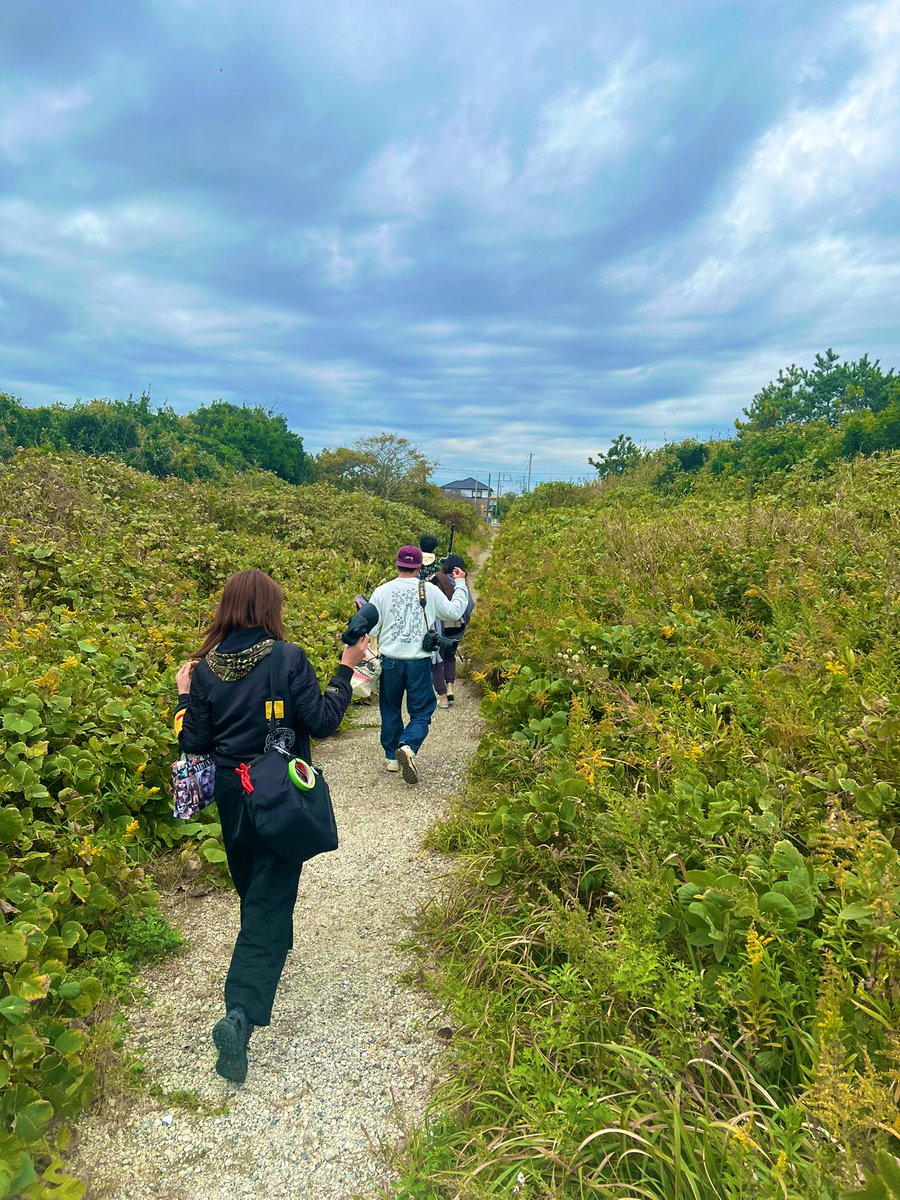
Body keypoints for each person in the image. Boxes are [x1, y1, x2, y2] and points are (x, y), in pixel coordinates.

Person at [173, 569, 369, 1085]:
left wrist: (184, 695)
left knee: (252, 882)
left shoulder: (206, 669)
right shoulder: (287, 658)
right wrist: (346, 669)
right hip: (277, 789)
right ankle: (239, 1013)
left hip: (231, 792)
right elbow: (322, 720)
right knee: (268, 899)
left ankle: (274, 943)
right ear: (269, 609)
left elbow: (193, 742)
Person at [368, 545, 469, 784]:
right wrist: (461, 583)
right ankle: (408, 746)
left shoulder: (381, 592)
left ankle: (392, 758)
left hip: (390, 661)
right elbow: (454, 612)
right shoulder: (429, 590)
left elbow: (372, 630)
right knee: (422, 711)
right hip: (419, 662)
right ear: (419, 566)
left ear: (397, 564)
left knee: (390, 709)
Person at [439, 554, 474, 707]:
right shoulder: (462, 583)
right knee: (450, 657)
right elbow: (469, 605)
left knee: (438, 659)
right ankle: (450, 686)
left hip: (440, 627)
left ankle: (441, 694)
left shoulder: (439, 580)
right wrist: (463, 623)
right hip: (456, 628)